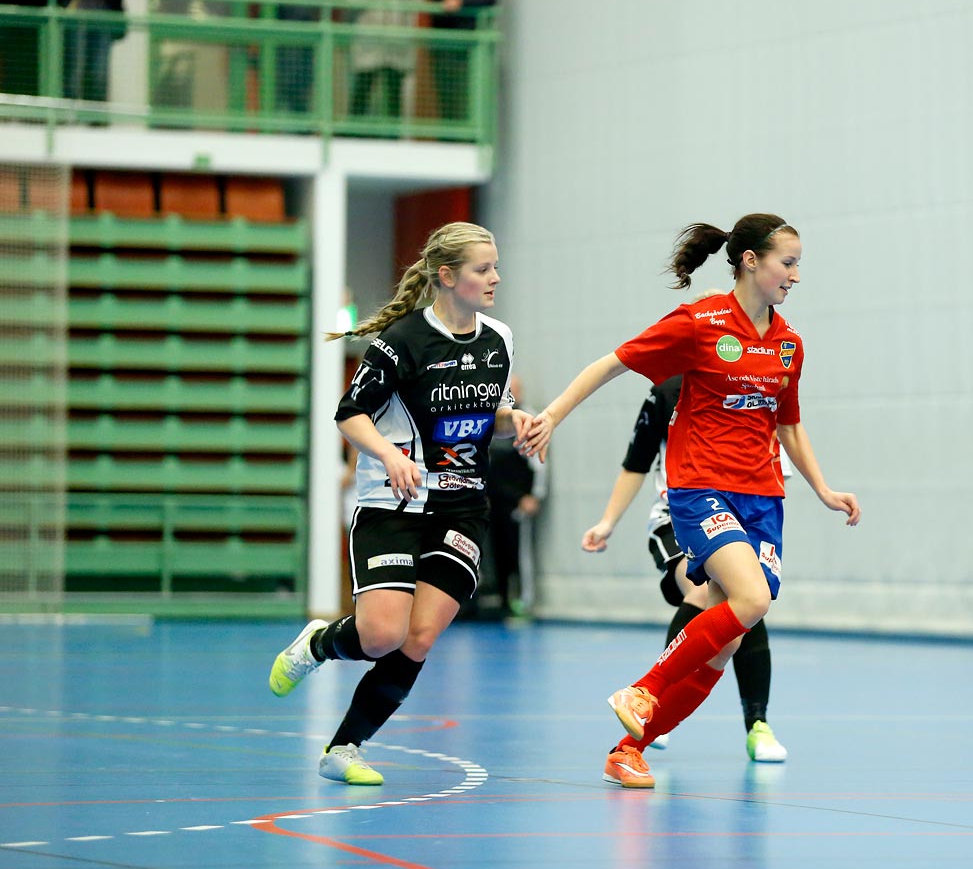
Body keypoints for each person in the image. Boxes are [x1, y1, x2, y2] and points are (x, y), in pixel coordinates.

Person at [519, 213, 860, 789]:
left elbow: (790, 426)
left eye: (799, 263)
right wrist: (551, 413)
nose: (796, 275)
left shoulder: (788, 344)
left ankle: (628, 750)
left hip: (764, 498)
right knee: (751, 600)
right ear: (750, 260)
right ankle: (644, 690)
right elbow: (612, 363)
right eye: (788, 262)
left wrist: (824, 489)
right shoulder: (699, 322)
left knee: (722, 645)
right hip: (701, 487)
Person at [267, 221, 528, 785]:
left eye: (495, 267)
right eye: (484, 269)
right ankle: (317, 644)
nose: (495, 279)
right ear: (448, 276)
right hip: (393, 503)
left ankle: (344, 749)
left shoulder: (498, 339)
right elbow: (350, 413)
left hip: (462, 509)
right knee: (381, 634)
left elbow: (494, 416)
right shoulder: (402, 341)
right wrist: (390, 455)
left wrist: (519, 424)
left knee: (419, 637)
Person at [581, 371, 788, 763]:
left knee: (735, 625)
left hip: (747, 515)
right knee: (720, 593)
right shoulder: (668, 391)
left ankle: (750, 725)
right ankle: (648, 694)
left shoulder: (760, 387)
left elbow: (781, 456)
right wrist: (608, 522)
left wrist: (823, 491)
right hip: (678, 516)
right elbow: (636, 461)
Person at [346, 0, 426, 121]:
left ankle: (392, 136)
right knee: (363, 89)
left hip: (396, 43)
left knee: (393, 93)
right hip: (369, 41)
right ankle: (354, 133)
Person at [483, 375, 544, 620]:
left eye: (513, 389)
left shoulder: (529, 416)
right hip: (493, 497)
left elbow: (540, 462)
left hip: (518, 499)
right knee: (496, 550)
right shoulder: (491, 419)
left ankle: (523, 600)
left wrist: (534, 495)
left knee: (519, 552)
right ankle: (500, 599)